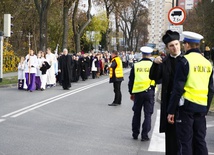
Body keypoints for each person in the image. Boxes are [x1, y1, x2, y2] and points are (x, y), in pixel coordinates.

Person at [167, 31, 214, 155]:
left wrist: (171, 110)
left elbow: (178, 89)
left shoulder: (184, 61)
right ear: (197, 45)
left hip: (186, 108)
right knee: (200, 141)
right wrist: (206, 107)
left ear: (186, 45)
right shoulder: (207, 63)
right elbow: (211, 89)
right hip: (201, 107)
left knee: (185, 142)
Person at [149, 30, 182, 155]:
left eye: (176, 44)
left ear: (180, 44)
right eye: (171, 46)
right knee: (171, 138)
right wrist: (155, 65)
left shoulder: (186, 60)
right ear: (168, 48)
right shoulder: (164, 61)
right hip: (168, 102)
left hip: (183, 104)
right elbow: (154, 77)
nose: (175, 48)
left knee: (184, 138)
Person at [128, 46, 155, 141]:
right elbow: (158, 79)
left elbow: (131, 80)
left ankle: (135, 133)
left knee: (136, 113)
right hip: (149, 92)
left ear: (142, 54)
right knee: (148, 114)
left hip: (138, 93)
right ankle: (145, 135)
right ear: (150, 55)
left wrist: (131, 92)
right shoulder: (153, 65)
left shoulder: (136, 65)